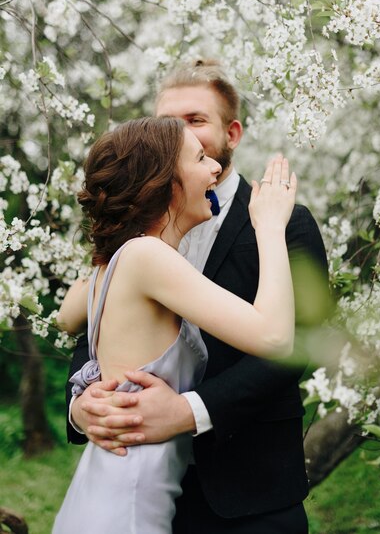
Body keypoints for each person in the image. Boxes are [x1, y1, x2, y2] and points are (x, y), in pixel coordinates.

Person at [66, 60, 329, 533]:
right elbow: (92, 329)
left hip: (247, 495)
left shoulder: (285, 221)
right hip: (141, 488)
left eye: (195, 120)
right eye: (170, 124)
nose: (182, 134)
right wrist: (81, 403)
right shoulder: (137, 248)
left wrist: (188, 411)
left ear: (232, 132)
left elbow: (297, 344)